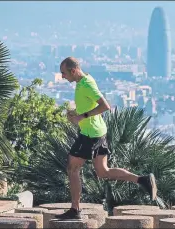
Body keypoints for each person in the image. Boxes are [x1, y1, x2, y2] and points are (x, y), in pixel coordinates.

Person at [55, 57, 157, 220]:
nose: (62, 77)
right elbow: (88, 105)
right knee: (103, 172)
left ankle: (75, 210)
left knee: (72, 168)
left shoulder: (86, 84)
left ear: (73, 71)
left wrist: (83, 116)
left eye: (64, 73)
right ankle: (143, 180)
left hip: (90, 134)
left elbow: (105, 106)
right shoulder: (84, 80)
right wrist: (77, 113)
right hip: (98, 132)